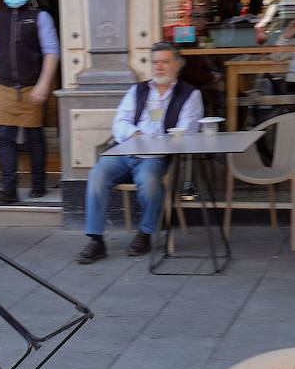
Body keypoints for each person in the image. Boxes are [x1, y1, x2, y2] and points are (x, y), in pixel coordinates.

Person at [76, 43, 203, 263]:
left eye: (164, 62)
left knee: (150, 183)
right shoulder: (138, 90)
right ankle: (96, 240)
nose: (158, 67)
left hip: (156, 156)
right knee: (97, 175)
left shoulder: (190, 95)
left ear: (177, 65)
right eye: (155, 62)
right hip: (126, 150)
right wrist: (136, 135)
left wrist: (157, 142)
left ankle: (145, 233)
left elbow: (187, 130)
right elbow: (120, 122)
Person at [0, 0, 60, 205]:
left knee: (34, 138)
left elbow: (51, 52)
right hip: (4, 88)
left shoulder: (40, 17)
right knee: (5, 138)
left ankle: (38, 184)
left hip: (31, 87)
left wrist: (43, 85)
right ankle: (9, 189)